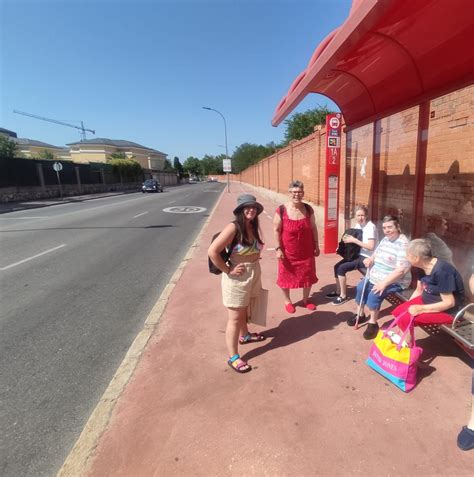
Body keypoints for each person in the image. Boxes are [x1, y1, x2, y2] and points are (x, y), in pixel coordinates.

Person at [208, 194, 266, 374]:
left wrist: (253, 257)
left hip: (253, 272)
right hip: (237, 277)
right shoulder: (233, 227)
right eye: (247, 207)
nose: (251, 210)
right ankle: (233, 357)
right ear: (240, 210)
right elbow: (212, 252)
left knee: (245, 308)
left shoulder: (252, 226)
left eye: (254, 207)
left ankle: (245, 335)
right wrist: (228, 270)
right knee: (234, 317)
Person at [347, 215, 411, 340]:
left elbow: (401, 270)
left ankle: (373, 323)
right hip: (376, 274)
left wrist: (383, 283)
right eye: (384, 228)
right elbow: (377, 252)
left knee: (374, 294)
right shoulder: (386, 239)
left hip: (394, 279)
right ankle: (360, 315)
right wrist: (371, 259)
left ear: (397, 227)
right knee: (361, 287)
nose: (387, 230)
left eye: (390, 227)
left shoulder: (403, 244)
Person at [391, 239, 464, 332]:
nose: (406, 257)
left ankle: (406, 345)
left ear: (416, 258)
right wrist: (408, 306)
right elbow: (419, 290)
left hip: (449, 311)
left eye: (408, 255)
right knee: (399, 312)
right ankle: (402, 340)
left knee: (405, 319)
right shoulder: (421, 266)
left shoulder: (442, 271)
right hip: (428, 301)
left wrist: (421, 309)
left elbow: (449, 303)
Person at [273, 180, 320, 313]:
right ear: (289, 193)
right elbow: (276, 230)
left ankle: (306, 300)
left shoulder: (308, 209)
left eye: (299, 192)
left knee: (308, 276)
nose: (296, 194)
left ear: (303, 193)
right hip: (287, 253)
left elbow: (313, 227)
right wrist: (278, 249)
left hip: (306, 252)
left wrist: (316, 245)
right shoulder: (281, 210)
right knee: (284, 277)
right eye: (294, 192)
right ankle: (287, 301)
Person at [326, 205, 377, 305]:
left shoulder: (371, 227)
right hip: (358, 254)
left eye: (362, 215)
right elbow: (350, 241)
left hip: (367, 257)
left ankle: (343, 296)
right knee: (336, 267)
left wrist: (355, 240)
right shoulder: (358, 225)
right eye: (358, 215)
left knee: (341, 268)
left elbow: (371, 247)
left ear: (366, 215)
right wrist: (341, 248)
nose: (360, 218)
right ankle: (338, 291)